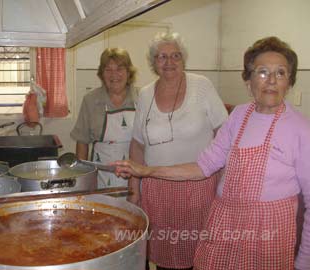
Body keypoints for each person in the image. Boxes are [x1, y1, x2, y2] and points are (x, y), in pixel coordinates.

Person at [114, 36, 310, 270]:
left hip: (266, 233)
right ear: (248, 80)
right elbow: (203, 166)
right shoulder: (239, 115)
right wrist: (147, 170)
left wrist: (304, 260)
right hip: (225, 222)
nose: (271, 81)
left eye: (281, 73)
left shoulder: (300, 129)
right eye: (262, 72)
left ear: (289, 81)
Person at [127, 32, 228, 270]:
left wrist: (224, 182)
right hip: (157, 190)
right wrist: (134, 190)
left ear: (184, 59)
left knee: (199, 254)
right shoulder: (144, 94)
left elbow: (224, 134)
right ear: (153, 62)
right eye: (162, 57)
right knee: (164, 257)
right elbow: (137, 144)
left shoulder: (201, 86)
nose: (169, 62)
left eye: (176, 56)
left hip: (199, 188)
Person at [70, 48, 137, 189]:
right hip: (101, 175)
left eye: (120, 68)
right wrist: (82, 179)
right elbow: (82, 141)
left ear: (128, 72)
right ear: (101, 74)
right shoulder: (91, 100)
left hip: (135, 176)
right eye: (108, 70)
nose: (114, 75)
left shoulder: (142, 97)